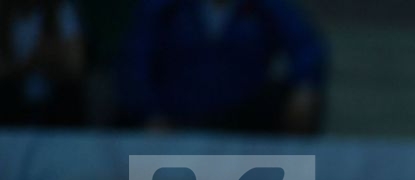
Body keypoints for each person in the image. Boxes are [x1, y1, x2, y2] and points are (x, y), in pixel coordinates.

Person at [116, 0, 325, 133]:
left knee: (288, 98)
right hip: (176, 115)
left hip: (241, 118)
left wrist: (305, 84)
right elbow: (135, 61)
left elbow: (306, 45)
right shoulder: (165, 8)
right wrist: (150, 112)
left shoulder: (264, 7)